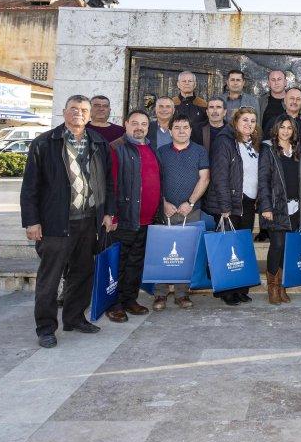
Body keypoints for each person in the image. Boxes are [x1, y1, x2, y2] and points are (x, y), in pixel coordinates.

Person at [21, 95, 113, 348]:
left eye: (83, 110)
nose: (79, 114)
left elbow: (108, 181)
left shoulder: (98, 143)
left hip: (88, 221)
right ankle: (46, 328)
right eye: (74, 109)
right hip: (56, 223)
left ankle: (74, 318)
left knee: (83, 273)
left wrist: (107, 212)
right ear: (64, 112)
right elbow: (30, 186)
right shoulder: (45, 143)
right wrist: (32, 221)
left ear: (90, 115)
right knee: (50, 279)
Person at [104, 109, 161, 324]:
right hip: (125, 218)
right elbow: (110, 184)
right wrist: (112, 214)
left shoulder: (151, 147)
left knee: (136, 262)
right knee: (119, 263)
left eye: (144, 124)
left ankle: (130, 299)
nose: (139, 127)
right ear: (125, 124)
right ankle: (114, 304)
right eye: (135, 123)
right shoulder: (116, 148)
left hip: (147, 219)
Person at [206, 106, 262, 306]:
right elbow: (220, 176)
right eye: (244, 120)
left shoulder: (253, 144)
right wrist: (224, 207)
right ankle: (227, 291)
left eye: (252, 121)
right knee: (228, 248)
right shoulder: (225, 142)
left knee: (242, 248)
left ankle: (241, 288)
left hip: (247, 202)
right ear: (235, 122)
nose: (249, 124)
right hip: (229, 203)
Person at [156, 113, 210, 311]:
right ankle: (160, 294)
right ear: (170, 131)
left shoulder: (200, 151)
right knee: (163, 252)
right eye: (177, 128)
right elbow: (155, 181)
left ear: (190, 130)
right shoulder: (161, 152)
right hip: (166, 211)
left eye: (185, 127)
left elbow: (204, 178)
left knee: (186, 253)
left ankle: (181, 294)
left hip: (190, 210)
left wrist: (190, 202)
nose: (181, 131)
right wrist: (163, 203)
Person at [258, 115, 301, 305]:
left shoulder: (297, 150)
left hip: (294, 207)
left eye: (289, 128)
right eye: (282, 127)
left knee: (286, 248)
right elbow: (263, 180)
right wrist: (266, 206)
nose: (286, 131)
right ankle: (272, 287)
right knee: (277, 246)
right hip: (276, 207)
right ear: (276, 129)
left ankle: (282, 286)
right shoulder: (268, 150)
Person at [259, 69, 289, 134]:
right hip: (264, 142)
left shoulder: (294, 101)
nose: (276, 83)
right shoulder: (260, 102)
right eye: (273, 80)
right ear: (269, 83)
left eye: (279, 79)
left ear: (285, 82)